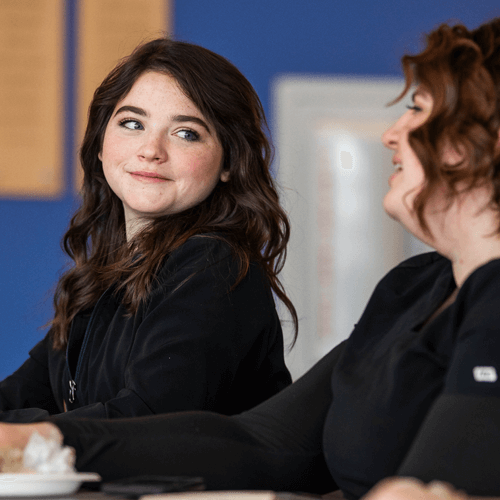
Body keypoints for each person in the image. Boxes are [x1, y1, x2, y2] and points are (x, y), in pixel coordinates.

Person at [2, 16, 500, 500]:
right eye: (131, 123)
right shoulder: (411, 286)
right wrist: (43, 440)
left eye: (417, 109)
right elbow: (264, 440)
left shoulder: (209, 263)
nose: (391, 133)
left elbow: (440, 484)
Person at [0, 38, 296, 421]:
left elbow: (144, 421)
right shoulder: (107, 277)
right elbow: (19, 397)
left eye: (186, 133)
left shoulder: (213, 263)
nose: (151, 149)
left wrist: (23, 436)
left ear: (229, 162)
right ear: (101, 145)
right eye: (132, 123)